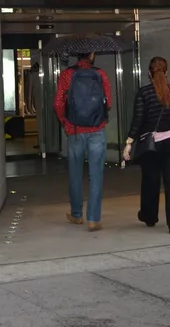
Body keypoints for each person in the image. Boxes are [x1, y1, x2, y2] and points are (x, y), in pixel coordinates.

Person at [122, 57, 170, 235]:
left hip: (152, 145)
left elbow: (137, 120)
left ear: (149, 73)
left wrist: (129, 143)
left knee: (150, 181)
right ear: (166, 72)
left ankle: (149, 217)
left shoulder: (144, 93)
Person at [54, 52, 113, 232]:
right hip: (97, 129)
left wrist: (65, 120)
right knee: (96, 175)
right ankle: (94, 219)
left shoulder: (67, 74)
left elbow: (58, 102)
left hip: (75, 130)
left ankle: (77, 214)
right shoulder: (100, 74)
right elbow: (108, 102)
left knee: (75, 173)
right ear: (92, 55)